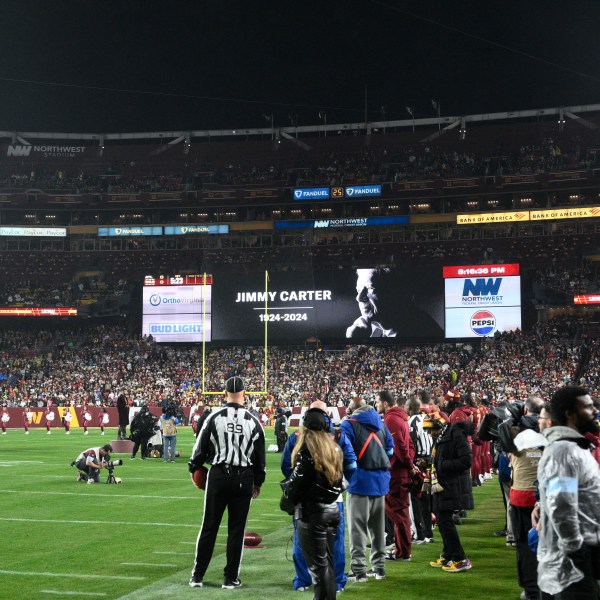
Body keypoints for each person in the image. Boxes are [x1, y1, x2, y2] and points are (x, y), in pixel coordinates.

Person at [188, 376, 265, 590]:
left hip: (219, 475)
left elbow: (198, 451)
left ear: (224, 394)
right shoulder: (253, 421)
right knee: (236, 530)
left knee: (209, 526)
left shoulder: (213, 417)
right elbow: (260, 460)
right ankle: (230, 578)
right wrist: (257, 483)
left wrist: (194, 470)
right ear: (245, 394)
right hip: (244, 478)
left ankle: (197, 576)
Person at [281, 401, 357, 593]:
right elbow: (351, 465)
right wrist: (336, 486)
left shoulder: (298, 437)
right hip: (333, 503)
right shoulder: (338, 437)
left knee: (303, 543)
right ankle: (337, 582)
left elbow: (287, 468)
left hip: (307, 504)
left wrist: (297, 489)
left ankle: (303, 579)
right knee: (333, 549)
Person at [536, 385, 600, 598]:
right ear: (570, 414)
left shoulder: (572, 448)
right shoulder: (564, 451)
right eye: (588, 407)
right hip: (569, 566)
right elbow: (561, 505)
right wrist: (577, 552)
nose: (594, 411)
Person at [340, 396, 394, 582]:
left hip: (359, 482)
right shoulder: (381, 424)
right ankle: (379, 568)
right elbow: (390, 451)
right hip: (380, 483)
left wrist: (350, 475)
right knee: (378, 530)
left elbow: (346, 453)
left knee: (357, 530)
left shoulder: (349, 424)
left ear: (353, 408)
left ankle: (359, 570)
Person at [424, 411, 473, 573]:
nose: (429, 433)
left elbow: (466, 461)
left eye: (431, 429)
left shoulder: (456, 435)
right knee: (442, 519)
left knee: (445, 521)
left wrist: (441, 466)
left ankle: (460, 558)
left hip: (452, 485)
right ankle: (448, 555)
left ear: (439, 426)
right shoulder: (443, 436)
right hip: (444, 484)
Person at [375, 390, 415, 562]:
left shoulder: (391, 419)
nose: (376, 405)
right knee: (401, 512)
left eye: (377, 402)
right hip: (401, 471)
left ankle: (403, 551)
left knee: (398, 514)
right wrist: (410, 464)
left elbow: (399, 448)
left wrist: (408, 464)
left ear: (385, 403)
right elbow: (410, 444)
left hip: (396, 473)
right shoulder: (402, 418)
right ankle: (402, 549)